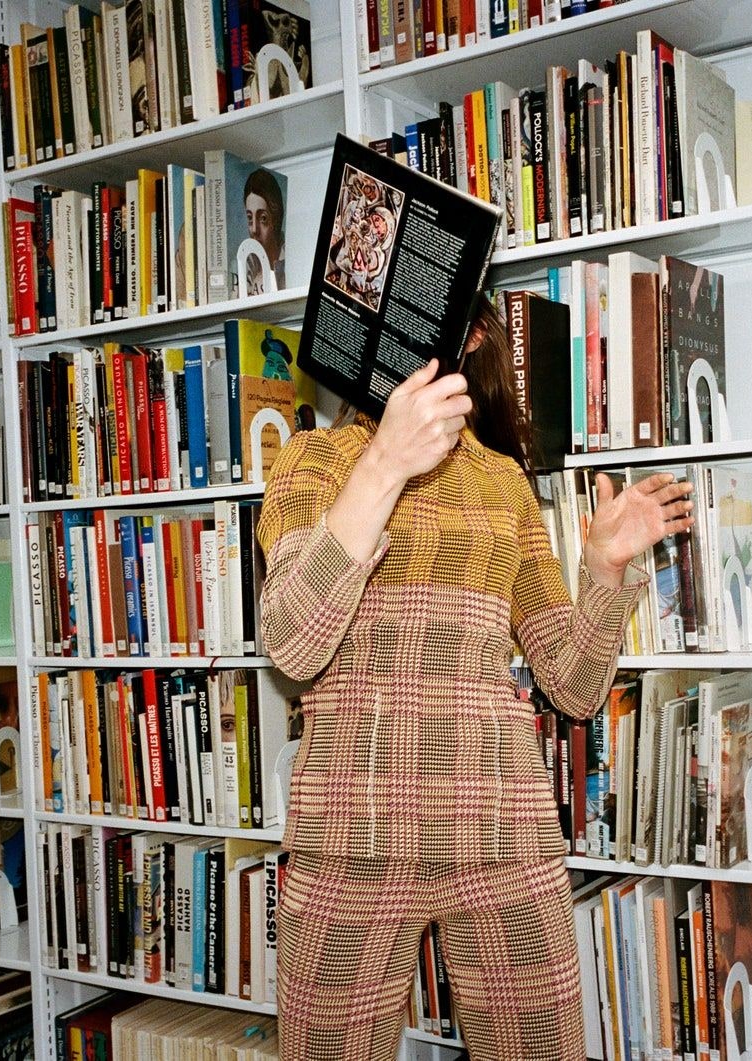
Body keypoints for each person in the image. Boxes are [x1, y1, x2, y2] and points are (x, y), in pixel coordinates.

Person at [257, 296, 694, 1060]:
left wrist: (603, 570)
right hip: (351, 831)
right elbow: (293, 644)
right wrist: (385, 464)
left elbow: (574, 685)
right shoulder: (312, 460)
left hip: (503, 830)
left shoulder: (504, 482)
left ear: (478, 336)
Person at [244, 168, 286, 293]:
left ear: (276, 220)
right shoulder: (246, 265)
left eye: (263, 218)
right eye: (250, 218)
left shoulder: (289, 263)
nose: (254, 230)